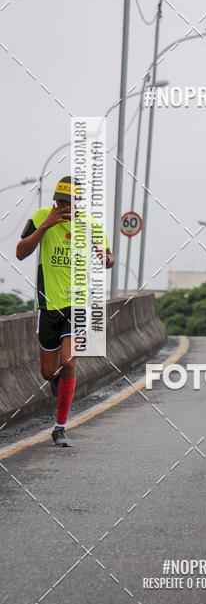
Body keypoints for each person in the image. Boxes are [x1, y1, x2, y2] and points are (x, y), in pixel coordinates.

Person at [16, 176, 115, 447]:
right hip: (49, 305)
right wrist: (46, 226)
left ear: (79, 203)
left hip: (79, 304)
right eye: (60, 202)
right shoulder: (40, 217)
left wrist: (104, 258)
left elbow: (109, 258)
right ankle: (59, 386)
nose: (64, 207)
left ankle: (60, 427)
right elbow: (20, 252)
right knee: (49, 373)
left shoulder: (91, 224)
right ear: (54, 201)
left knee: (69, 361)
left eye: (69, 203)